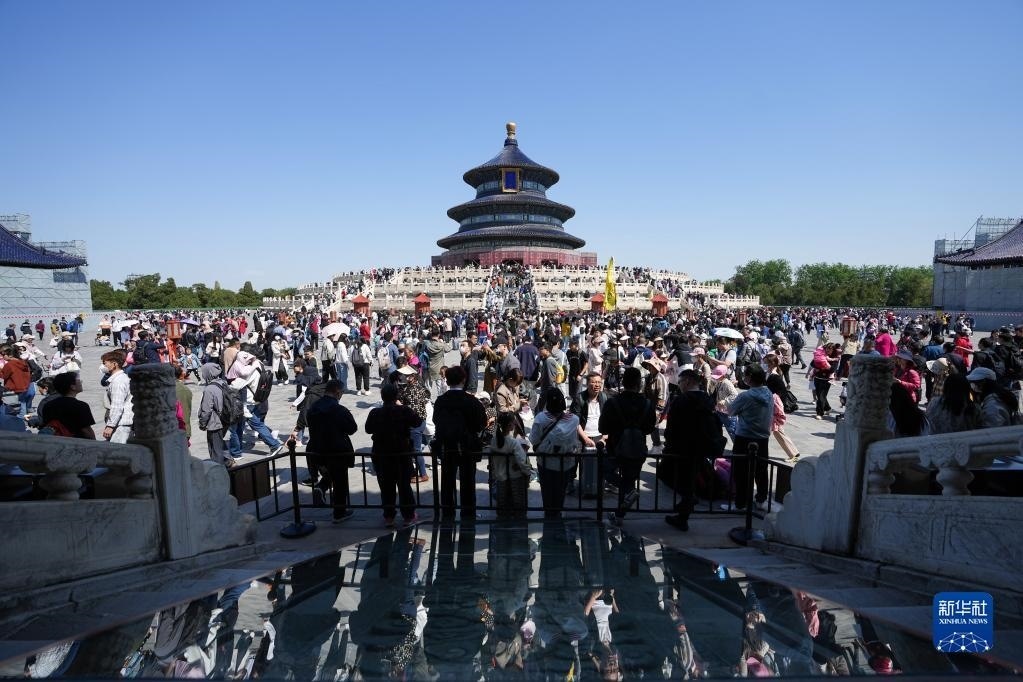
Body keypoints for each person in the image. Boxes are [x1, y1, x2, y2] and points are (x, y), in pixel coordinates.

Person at [600, 366, 656, 526]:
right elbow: (650, 428)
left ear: (623, 382)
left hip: (615, 448)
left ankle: (621, 510)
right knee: (630, 480)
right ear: (639, 384)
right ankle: (620, 514)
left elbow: (603, 428)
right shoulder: (647, 404)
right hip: (637, 448)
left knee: (604, 470)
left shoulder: (612, 402)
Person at [663, 369, 718, 531]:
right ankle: (683, 515)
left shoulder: (681, 400)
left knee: (670, 475)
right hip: (701, 447)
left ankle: (687, 502)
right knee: (689, 479)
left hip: (682, 448)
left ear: (687, 382)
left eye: (680, 382)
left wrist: (669, 441)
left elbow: (672, 427)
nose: (679, 385)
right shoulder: (707, 399)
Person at [431, 365, 488, 519]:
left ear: (448, 381)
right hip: (467, 446)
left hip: (447, 446)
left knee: (447, 481)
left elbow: (436, 420)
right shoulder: (471, 401)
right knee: (468, 481)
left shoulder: (441, 401)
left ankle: (447, 512)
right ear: (463, 380)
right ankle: (468, 513)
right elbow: (481, 423)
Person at [365, 383, 423, 527]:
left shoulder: (375, 413)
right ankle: (408, 515)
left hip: (382, 453)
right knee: (404, 486)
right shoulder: (404, 410)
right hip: (401, 453)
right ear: (396, 396)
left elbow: (368, 429)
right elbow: (418, 422)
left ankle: (389, 516)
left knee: (386, 487)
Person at [306, 379, 358, 523]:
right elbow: (352, 429)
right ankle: (339, 512)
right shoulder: (339, 410)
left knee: (329, 474)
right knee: (340, 482)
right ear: (337, 392)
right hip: (338, 450)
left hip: (317, 449)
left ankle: (321, 488)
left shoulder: (314, 408)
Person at [529, 387, 581, 519]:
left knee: (547, 490)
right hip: (565, 463)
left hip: (545, 462)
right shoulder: (574, 420)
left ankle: (549, 514)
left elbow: (534, 439)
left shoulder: (541, 419)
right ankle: (557, 513)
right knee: (560, 490)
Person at [729, 365, 773, 511]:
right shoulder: (768, 393)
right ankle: (761, 500)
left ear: (749, 377)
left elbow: (731, 411)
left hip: (745, 437)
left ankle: (741, 504)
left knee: (741, 471)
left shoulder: (745, 396)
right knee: (761, 470)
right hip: (763, 438)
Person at [488, 411, 535, 520]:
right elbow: (522, 462)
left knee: (502, 505)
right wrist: (528, 473)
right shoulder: (513, 442)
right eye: (513, 423)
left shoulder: (494, 441)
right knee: (518, 506)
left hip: (500, 476)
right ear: (510, 425)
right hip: (515, 477)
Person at [39, 372, 96, 439]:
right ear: (72, 387)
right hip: (77, 442)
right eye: (78, 380)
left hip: (55, 441)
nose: (81, 382)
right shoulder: (81, 406)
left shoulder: (48, 405)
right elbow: (87, 431)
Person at [198, 362, 232, 465]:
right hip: (224, 419)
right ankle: (228, 461)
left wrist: (202, 423)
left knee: (215, 449)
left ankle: (218, 469)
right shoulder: (223, 383)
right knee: (220, 443)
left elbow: (206, 410)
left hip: (214, 423)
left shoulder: (209, 389)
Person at [101, 349, 133, 443]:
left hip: (121, 424)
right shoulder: (120, 378)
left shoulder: (118, 381)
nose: (103, 366)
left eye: (105, 363)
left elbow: (117, 405)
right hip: (121, 422)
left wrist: (110, 425)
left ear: (114, 364)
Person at [0, 344, 35, 419]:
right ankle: (23, 416)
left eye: (3, 355)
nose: (2, 357)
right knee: (22, 403)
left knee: (13, 406)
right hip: (24, 387)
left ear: (10, 355)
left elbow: (4, 375)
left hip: (13, 388)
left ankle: (19, 418)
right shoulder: (23, 362)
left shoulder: (10, 365)